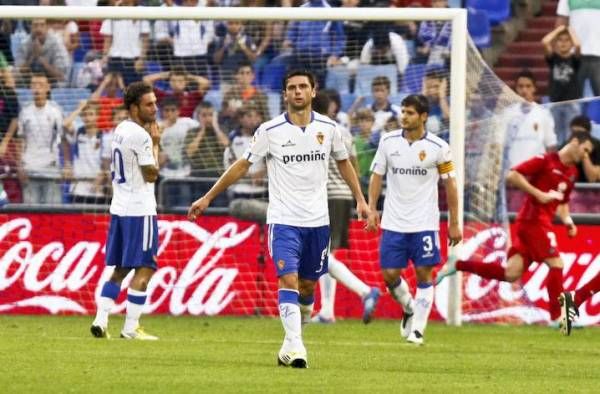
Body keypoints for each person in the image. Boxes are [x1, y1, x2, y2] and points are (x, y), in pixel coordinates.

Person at [187, 70, 372, 368]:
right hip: (283, 220)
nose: (297, 92)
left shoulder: (329, 128)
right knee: (288, 279)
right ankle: (297, 347)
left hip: (318, 222)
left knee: (308, 287)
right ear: (285, 94)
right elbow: (242, 166)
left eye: (302, 87)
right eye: (291, 88)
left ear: (313, 91)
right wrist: (208, 196)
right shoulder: (270, 130)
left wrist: (361, 200)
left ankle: (290, 340)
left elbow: (344, 163)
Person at [437, 132, 595, 331]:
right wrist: (538, 194)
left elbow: (562, 204)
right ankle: (558, 316)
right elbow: (512, 175)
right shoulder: (545, 160)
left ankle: (457, 264)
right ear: (574, 142)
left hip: (542, 222)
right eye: (585, 149)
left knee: (511, 273)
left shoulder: (571, 173)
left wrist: (568, 221)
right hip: (532, 221)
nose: (586, 155)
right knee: (557, 263)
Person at [366, 94, 462, 345]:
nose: (404, 117)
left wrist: (453, 222)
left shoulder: (438, 147)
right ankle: (409, 306)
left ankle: (418, 330)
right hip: (394, 222)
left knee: (424, 273)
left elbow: (450, 184)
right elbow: (377, 175)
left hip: (424, 223)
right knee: (389, 274)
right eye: (403, 112)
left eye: (409, 113)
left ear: (423, 117)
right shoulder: (388, 142)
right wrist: (372, 208)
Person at [90, 81, 161, 341]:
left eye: (155, 102)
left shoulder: (120, 129)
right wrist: (155, 143)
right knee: (146, 267)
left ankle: (100, 320)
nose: (155, 108)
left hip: (119, 208)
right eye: (149, 104)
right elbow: (152, 174)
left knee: (120, 268)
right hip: (139, 211)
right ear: (134, 108)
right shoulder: (142, 135)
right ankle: (131, 328)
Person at [310, 91, 380, 324]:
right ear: (330, 107)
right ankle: (327, 311)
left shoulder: (313, 131)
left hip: (326, 197)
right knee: (323, 254)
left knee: (319, 255)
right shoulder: (344, 131)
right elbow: (355, 168)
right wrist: (358, 196)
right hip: (343, 196)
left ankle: (364, 292)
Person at [542, 25, 581, 145]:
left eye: (566, 40)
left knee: (571, 139)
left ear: (571, 43)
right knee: (556, 139)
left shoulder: (575, 60)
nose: (563, 43)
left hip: (572, 103)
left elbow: (578, 45)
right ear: (556, 43)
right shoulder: (553, 58)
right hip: (556, 103)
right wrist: (559, 29)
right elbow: (545, 42)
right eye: (560, 40)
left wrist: (569, 29)